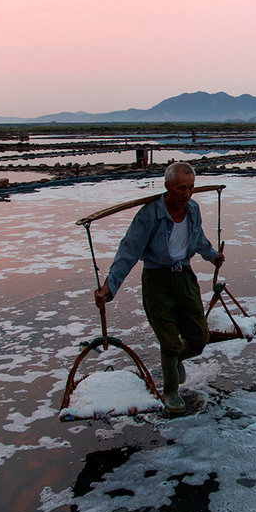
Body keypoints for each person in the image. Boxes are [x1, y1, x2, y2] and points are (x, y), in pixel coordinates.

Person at [94, 162, 224, 414]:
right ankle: (170, 391)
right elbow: (128, 252)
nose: (187, 194)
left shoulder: (193, 209)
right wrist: (109, 287)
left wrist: (211, 255)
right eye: (181, 188)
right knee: (169, 340)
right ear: (168, 187)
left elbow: (197, 237)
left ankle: (176, 359)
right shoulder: (149, 215)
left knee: (199, 339)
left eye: (191, 188)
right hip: (157, 280)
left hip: (184, 276)